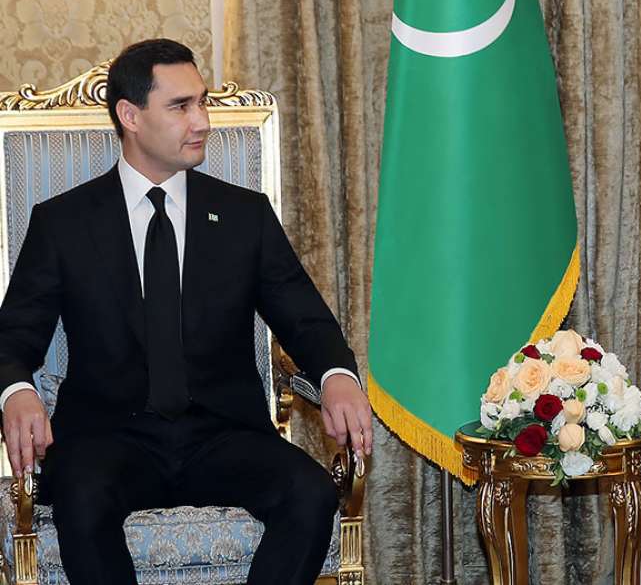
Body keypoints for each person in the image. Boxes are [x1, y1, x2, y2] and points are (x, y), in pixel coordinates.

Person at [0, 39, 374, 585]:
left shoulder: (245, 216)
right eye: (180, 106)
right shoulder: (63, 223)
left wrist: (337, 375)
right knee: (82, 500)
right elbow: (13, 337)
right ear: (130, 116)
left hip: (224, 435)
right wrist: (17, 391)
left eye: (202, 102)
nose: (202, 122)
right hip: (107, 439)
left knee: (311, 494)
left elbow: (306, 320)